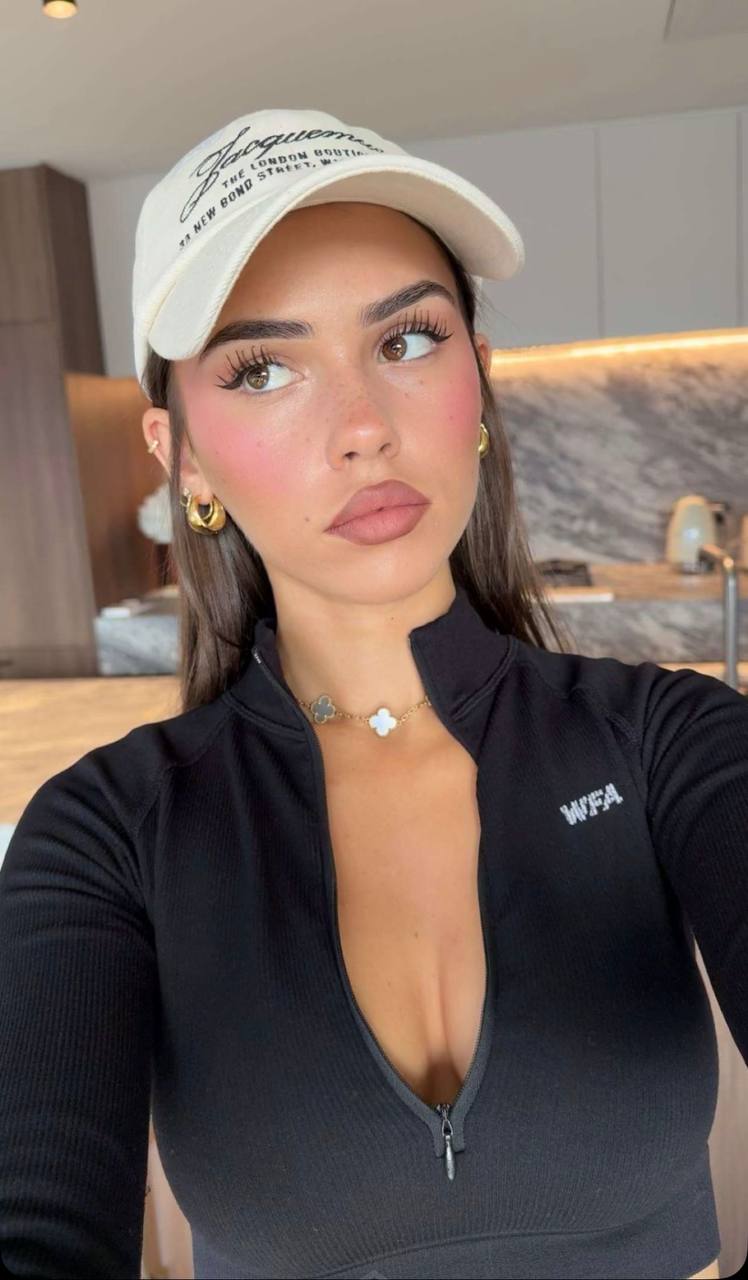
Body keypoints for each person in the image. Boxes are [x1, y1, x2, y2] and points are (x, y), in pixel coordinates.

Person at [0, 108, 745, 1280]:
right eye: (262, 368)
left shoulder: (668, 741)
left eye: (406, 340)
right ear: (181, 455)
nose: (363, 429)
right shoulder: (106, 834)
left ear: (478, 382)